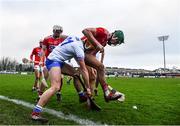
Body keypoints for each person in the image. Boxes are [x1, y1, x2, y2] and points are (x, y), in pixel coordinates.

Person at [31, 35, 90, 122]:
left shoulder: (74, 38)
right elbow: (84, 69)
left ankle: (81, 96)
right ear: (87, 44)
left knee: (76, 74)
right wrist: (88, 88)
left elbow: (62, 36)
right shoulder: (79, 49)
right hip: (53, 61)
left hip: (59, 60)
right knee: (55, 87)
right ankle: (35, 114)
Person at [81, 27, 124, 102]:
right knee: (79, 74)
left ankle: (104, 94)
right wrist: (97, 44)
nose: (115, 44)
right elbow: (85, 31)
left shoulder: (104, 43)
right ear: (114, 37)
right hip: (77, 47)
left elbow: (92, 54)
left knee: (98, 70)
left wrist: (93, 66)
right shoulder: (104, 32)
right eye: (116, 42)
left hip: (83, 53)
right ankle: (83, 94)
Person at [38, 25, 65, 102]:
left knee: (61, 78)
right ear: (53, 31)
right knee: (45, 77)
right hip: (49, 61)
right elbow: (43, 50)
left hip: (59, 61)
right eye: (57, 31)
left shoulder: (62, 39)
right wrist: (41, 60)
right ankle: (40, 95)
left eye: (60, 32)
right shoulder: (47, 39)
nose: (58, 33)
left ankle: (59, 92)